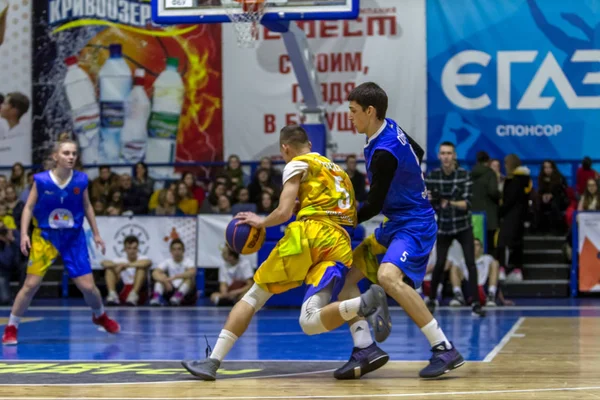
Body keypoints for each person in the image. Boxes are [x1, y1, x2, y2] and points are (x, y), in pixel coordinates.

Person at [181, 124, 391, 381]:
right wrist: (305, 206)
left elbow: (282, 212)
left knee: (254, 296)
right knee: (311, 319)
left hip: (309, 236)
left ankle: (212, 361)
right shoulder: (338, 171)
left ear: (285, 148)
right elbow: (342, 211)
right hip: (340, 240)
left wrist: (260, 221)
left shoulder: (295, 163)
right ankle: (364, 339)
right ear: (310, 145)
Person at [335, 82, 464, 380]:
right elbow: (416, 153)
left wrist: (338, 218)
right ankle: (365, 348)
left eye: (353, 112)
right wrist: (413, 184)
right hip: (395, 222)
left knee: (387, 277)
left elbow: (374, 204)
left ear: (370, 111)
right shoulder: (389, 127)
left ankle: (443, 347)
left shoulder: (384, 152)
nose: (350, 117)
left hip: (414, 224)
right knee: (347, 278)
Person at [2, 139, 120, 345]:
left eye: (74, 153)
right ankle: (12, 327)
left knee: (89, 287)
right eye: (66, 153)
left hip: (73, 237)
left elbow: (88, 206)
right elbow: (28, 208)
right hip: (45, 236)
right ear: (55, 156)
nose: (71, 157)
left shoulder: (81, 180)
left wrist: (97, 233)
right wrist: (24, 234)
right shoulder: (41, 181)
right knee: (31, 284)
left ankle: (100, 315)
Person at [426, 141, 484, 317]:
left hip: (462, 225)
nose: (446, 157)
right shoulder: (433, 176)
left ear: (454, 156)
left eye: (449, 153)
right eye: (443, 153)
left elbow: (466, 204)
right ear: (439, 156)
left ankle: (475, 302)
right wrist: (431, 199)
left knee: (470, 263)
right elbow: (426, 200)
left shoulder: (463, 175)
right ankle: (432, 300)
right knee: (440, 263)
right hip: (443, 226)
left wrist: (446, 202)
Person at [100, 235, 152, 306]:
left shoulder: (143, 258)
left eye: (134, 248)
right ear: (125, 249)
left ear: (137, 249)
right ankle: (112, 295)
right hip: (123, 291)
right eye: (129, 248)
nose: (132, 251)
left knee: (141, 269)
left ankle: (133, 295)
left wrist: (127, 265)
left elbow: (148, 262)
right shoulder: (120, 260)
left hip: (139, 294)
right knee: (109, 270)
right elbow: (104, 263)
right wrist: (118, 266)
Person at [449, 238, 500, 307]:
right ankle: (458, 295)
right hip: (469, 290)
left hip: (484, 288)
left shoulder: (488, 258)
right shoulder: (462, 260)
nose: (474, 247)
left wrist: (502, 299)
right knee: (454, 267)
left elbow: (495, 275)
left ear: (481, 249)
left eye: (477, 245)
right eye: (472, 245)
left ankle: (491, 296)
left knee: (495, 263)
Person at [150, 239, 196, 306]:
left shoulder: (188, 261)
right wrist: (164, 281)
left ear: (183, 251)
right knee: (160, 278)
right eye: (174, 249)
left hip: (186, 295)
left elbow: (192, 272)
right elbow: (154, 273)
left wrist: (176, 276)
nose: (176, 252)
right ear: (171, 251)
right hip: (171, 290)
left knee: (189, 278)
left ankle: (178, 297)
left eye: (179, 249)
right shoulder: (167, 262)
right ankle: (156, 298)